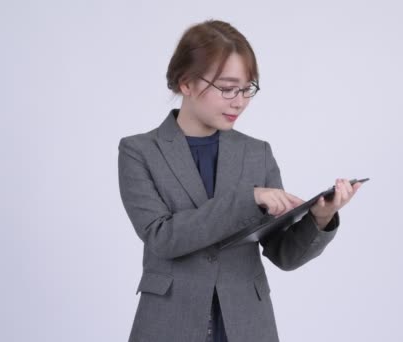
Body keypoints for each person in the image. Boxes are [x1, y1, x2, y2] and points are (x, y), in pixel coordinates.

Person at [117, 19, 361, 342]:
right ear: (185, 83)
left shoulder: (257, 153)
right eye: (228, 88)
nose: (239, 101)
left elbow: (282, 253)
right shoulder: (139, 151)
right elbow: (162, 238)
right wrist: (248, 200)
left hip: (247, 324)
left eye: (247, 88)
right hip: (168, 323)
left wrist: (320, 219)